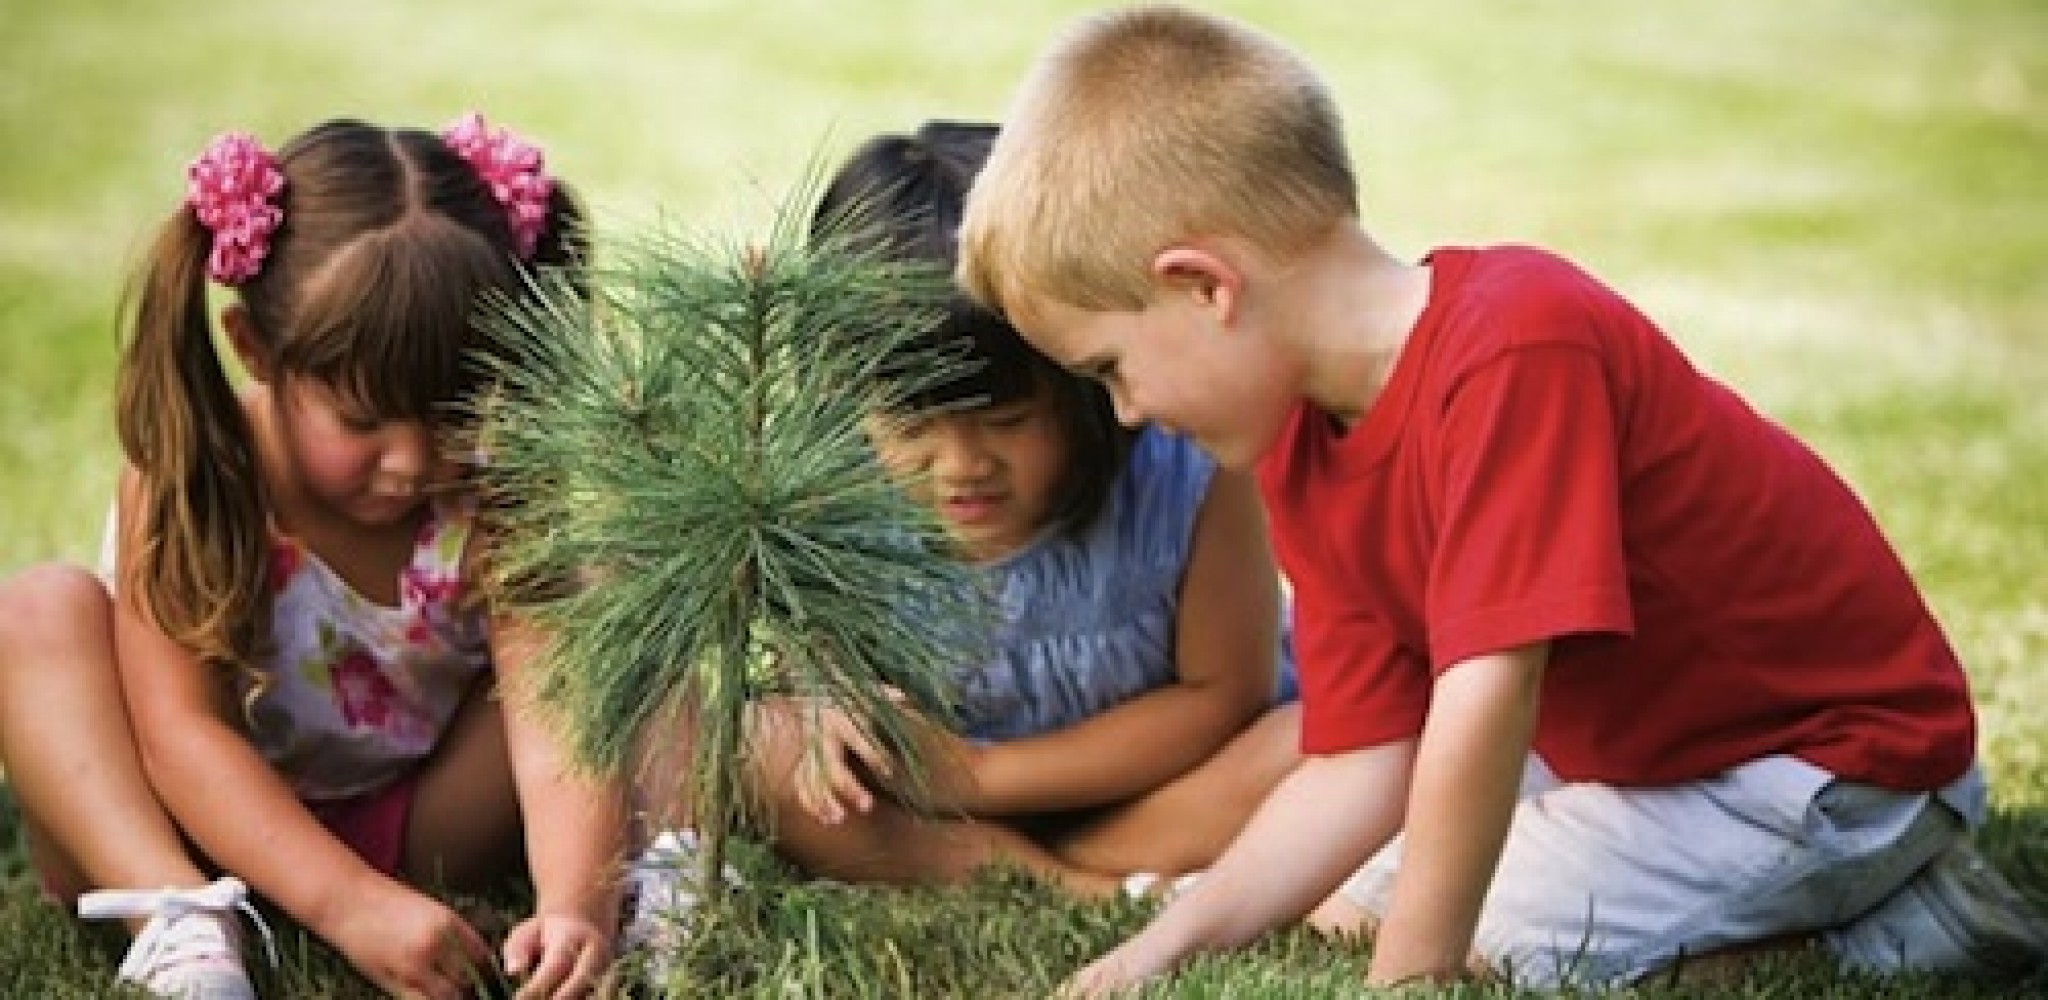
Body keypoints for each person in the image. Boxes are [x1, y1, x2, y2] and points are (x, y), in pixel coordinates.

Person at [952, 5, 2048, 993]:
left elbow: (1485, 695)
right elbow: (1360, 756)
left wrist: (1415, 974)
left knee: (1489, 945)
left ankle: (1899, 919)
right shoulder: (1297, 445)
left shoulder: (1517, 341)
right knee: (1337, 906)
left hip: (1816, 764)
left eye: (1109, 368)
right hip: (1631, 757)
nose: (1129, 413)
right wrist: (1168, 943)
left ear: (1202, 285)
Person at [0, 115, 677, 999]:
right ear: (256, 351)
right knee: (36, 610)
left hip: (409, 829)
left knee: (623, 612)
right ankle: (181, 924)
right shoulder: (197, 474)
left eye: (456, 413)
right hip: (174, 829)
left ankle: (658, 879)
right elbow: (183, 736)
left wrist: (573, 904)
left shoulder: (496, 489)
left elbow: (556, 715)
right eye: (363, 421)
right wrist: (348, 907)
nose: (411, 461)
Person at [744, 119, 1299, 900]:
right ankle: (1086, 885)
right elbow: (806, 654)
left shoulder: (1185, 468)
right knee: (754, 747)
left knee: (1319, 742)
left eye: (1008, 421)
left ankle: (1070, 862)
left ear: (1084, 373)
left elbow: (1222, 695)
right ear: (847, 396)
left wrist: (976, 778)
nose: (965, 466)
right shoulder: (821, 485)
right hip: (927, 804)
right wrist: (823, 701)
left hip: (1163, 788)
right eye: (910, 427)